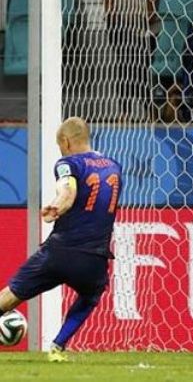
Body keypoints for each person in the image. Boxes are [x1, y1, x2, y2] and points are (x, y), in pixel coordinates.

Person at [0, 117, 123, 362]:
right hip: (94, 258)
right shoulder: (114, 166)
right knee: (90, 297)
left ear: (66, 141)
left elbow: (68, 191)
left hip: (60, 252)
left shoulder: (68, 163)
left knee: (10, 295)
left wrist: (57, 207)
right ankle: (57, 347)